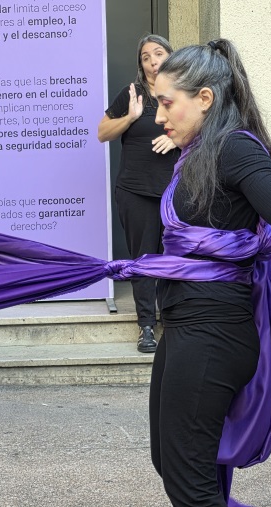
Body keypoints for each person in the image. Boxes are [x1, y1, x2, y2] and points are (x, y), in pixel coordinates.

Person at [148, 39, 271, 506]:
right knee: (173, 463)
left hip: (214, 331)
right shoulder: (196, 154)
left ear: (205, 98)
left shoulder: (233, 147)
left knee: (191, 482)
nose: (159, 117)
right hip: (186, 324)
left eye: (167, 103)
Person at [97, 34, 179, 353]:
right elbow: (102, 132)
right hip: (135, 190)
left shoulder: (185, 94)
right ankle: (146, 325)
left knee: (176, 257)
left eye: (158, 54)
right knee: (143, 258)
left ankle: (174, 323)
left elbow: (207, 133)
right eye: (145, 56)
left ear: (170, 58)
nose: (152, 60)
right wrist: (129, 117)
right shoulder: (132, 94)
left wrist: (176, 139)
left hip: (176, 191)